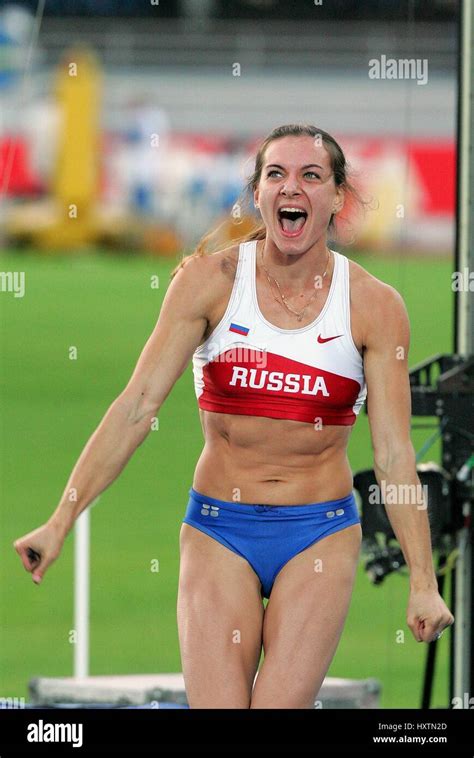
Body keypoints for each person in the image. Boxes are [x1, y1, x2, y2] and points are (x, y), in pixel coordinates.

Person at [13, 124, 454, 709]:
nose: (290, 188)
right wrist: (60, 521)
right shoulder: (208, 283)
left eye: (310, 176)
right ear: (258, 193)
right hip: (220, 528)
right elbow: (136, 408)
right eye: (276, 175)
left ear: (337, 197)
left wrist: (422, 583)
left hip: (318, 532)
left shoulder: (375, 306)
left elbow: (395, 455)